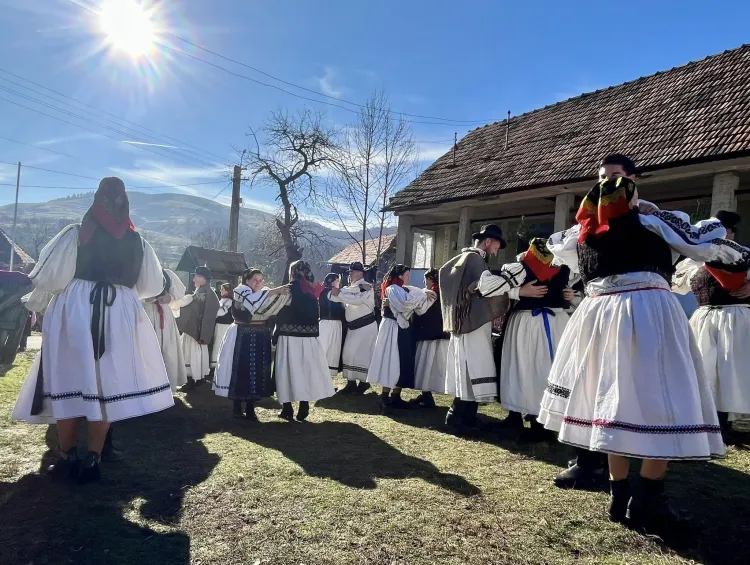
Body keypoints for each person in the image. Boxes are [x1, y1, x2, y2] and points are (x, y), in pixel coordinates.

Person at [538, 154, 735, 532]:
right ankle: (633, 497)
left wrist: (653, 211)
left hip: (624, 312)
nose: (608, 185)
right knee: (630, 401)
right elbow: (706, 240)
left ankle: (634, 497)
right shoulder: (595, 229)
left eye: (616, 177)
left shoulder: (646, 220)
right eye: (602, 179)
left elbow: (703, 241)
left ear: (634, 182)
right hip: (630, 311)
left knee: (638, 399)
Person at [12, 177, 173, 483]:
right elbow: (152, 286)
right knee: (106, 384)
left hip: (77, 307)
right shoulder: (138, 241)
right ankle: (93, 459)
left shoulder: (76, 233)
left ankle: (67, 456)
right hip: (120, 310)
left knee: (68, 378)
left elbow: (48, 277)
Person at [672, 209, 750, 442]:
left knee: (730, 370)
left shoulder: (743, 255)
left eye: (725, 230)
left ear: (731, 233)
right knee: (703, 368)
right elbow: (678, 287)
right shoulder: (694, 260)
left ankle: (727, 423)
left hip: (736, 318)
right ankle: (707, 422)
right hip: (703, 318)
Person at [489, 238, 575, 440]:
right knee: (526, 367)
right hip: (537, 321)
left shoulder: (562, 269)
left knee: (535, 368)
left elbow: (571, 291)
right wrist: (520, 291)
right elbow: (499, 289)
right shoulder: (524, 267)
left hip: (539, 322)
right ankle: (521, 417)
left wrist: (569, 295)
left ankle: (539, 420)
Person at [438, 224, 510, 435]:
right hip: (473, 324)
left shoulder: (462, 259)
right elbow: (483, 285)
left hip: (465, 323)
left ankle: (467, 417)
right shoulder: (475, 259)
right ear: (487, 241)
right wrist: (514, 285)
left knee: (468, 368)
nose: (496, 250)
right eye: (496, 245)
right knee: (473, 367)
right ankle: (457, 417)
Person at [214, 269, 290, 419]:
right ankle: (237, 405)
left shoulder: (263, 293)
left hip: (260, 334)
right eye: (255, 280)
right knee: (240, 368)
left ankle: (250, 406)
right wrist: (276, 291)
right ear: (246, 280)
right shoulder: (241, 290)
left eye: (261, 280)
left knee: (258, 370)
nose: (259, 283)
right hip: (241, 334)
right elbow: (252, 300)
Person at [367, 264, 434, 413]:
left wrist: (424, 294)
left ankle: (396, 396)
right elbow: (404, 304)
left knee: (402, 360)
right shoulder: (392, 289)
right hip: (392, 328)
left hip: (402, 328)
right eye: (407, 274)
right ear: (399, 276)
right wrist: (421, 296)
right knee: (390, 360)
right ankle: (385, 398)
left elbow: (416, 303)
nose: (409, 277)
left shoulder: (404, 289)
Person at [274, 260, 335, 421]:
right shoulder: (312, 291)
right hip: (309, 338)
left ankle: (287, 407)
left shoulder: (289, 289)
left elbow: (275, 309)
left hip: (289, 337)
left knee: (286, 370)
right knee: (305, 370)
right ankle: (304, 404)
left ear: (292, 272)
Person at [329, 262, 378, 394]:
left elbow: (357, 300)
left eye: (352, 272)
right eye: (349, 272)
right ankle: (351, 383)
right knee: (348, 354)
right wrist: (337, 293)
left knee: (363, 355)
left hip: (365, 326)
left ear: (360, 273)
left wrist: (339, 294)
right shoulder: (349, 288)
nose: (350, 274)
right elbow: (333, 297)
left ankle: (364, 383)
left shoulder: (366, 287)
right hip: (353, 327)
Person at [411, 268, 452, 408]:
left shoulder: (432, 293)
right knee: (433, 366)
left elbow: (420, 309)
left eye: (426, 279)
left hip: (429, 334)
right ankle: (425, 395)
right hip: (440, 334)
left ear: (430, 279)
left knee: (426, 364)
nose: (425, 282)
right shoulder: (445, 292)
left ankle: (426, 395)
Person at [142, 268, 188, 392]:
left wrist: (170, 297)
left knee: (167, 348)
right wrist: (144, 299)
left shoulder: (167, 274)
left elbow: (180, 291)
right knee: (147, 349)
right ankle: (148, 385)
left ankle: (167, 384)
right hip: (145, 313)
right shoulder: (137, 271)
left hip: (163, 312)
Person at [175, 266, 220, 388]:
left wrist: (203, 334)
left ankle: (193, 379)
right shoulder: (202, 291)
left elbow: (208, 315)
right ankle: (194, 378)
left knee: (193, 354)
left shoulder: (206, 293)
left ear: (202, 278)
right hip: (194, 330)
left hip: (197, 331)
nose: (194, 279)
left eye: (196, 276)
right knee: (192, 353)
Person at [318, 273, 346, 377]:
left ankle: (328, 378)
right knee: (324, 349)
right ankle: (319, 375)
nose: (339, 283)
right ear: (332, 282)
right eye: (337, 281)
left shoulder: (335, 293)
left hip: (336, 324)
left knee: (333, 351)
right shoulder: (328, 292)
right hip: (327, 324)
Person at [211, 283, 233, 372]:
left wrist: (212, 313)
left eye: (222, 289)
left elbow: (221, 312)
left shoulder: (229, 301)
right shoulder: (223, 300)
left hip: (224, 325)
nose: (221, 291)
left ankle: (217, 364)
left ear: (227, 290)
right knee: (217, 342)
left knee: (219, 343)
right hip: (219, 324)